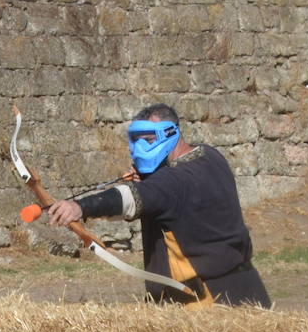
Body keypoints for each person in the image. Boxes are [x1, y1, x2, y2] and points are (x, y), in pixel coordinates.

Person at [46, 104, 271, 307]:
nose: (140, 147)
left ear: (170, 133)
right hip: (248, 290)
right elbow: (171, 194)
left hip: (207, 303)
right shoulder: (210, 156)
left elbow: (129, 198)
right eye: (136, 140)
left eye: (149, 139)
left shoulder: (172, 181)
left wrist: (79, 207)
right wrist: (149, 180)